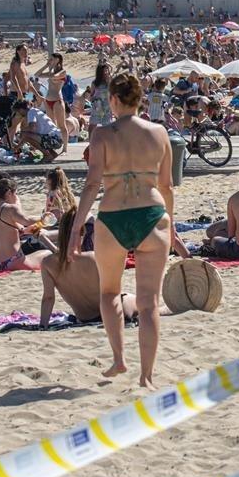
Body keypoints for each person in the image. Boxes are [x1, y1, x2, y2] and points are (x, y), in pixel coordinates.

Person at [69, 73, 173, 387]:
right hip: (151, 214)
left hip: (113, 215)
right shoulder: (159, 132)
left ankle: (119, 359)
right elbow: (166, 185)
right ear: (141, 99)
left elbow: (91, 184)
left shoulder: (101, 134)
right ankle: (147, 376)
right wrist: (172, 223)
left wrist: (76, 228)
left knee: (109, 292)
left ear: (113, 100)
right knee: (149, 302)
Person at [40, 209, 139, 327]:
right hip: (112, 313)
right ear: (82, 232)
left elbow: (48, 298)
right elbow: (112, 290)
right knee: (140, 301)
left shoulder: (47, 263)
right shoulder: (93, 258)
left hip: (84, 318)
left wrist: (42, 325)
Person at [0, 178, 48, 272]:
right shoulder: (10, 208)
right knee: (47, 253)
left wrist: (38, 225)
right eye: (16, 193)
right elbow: (27, 220)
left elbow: (21, 230)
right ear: (9, 193)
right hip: (12, 262)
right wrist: (43, 217)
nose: (16, 197)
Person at [35, 53, 70, 153]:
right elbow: (37, 74)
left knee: (61, 125)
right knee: (51, 125)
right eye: (50, 59)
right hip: (48, 100)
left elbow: (55, 77)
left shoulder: (62, 71)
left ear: (58, 60)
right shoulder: (51, 71)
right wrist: (46, 65)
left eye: (53, 59)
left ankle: (65, 148)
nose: (51, 60)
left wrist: (50, 69)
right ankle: (53, 145)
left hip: (57, 100)